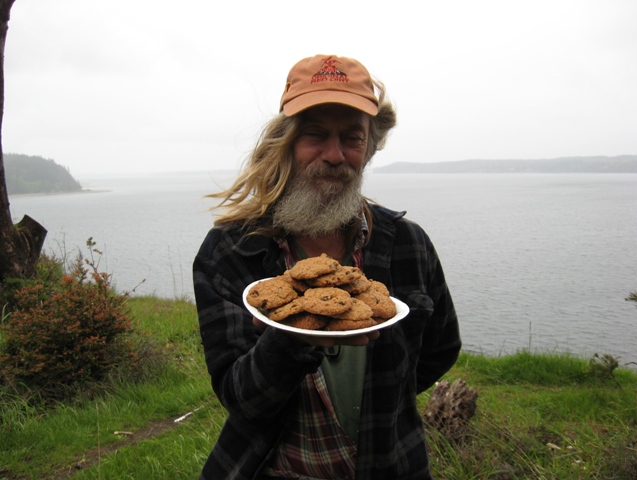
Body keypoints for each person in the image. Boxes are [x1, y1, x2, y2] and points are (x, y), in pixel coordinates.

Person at [193, 54, 461, 480]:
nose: (335, 155)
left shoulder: (409, 244)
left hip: (391, 467)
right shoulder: (230, 251)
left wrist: (385, 404)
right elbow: (238, 398)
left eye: (352, 138)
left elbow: (441, 349)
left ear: (368, 148)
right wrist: (291, 337)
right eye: (315, 135)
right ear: (286, 143)